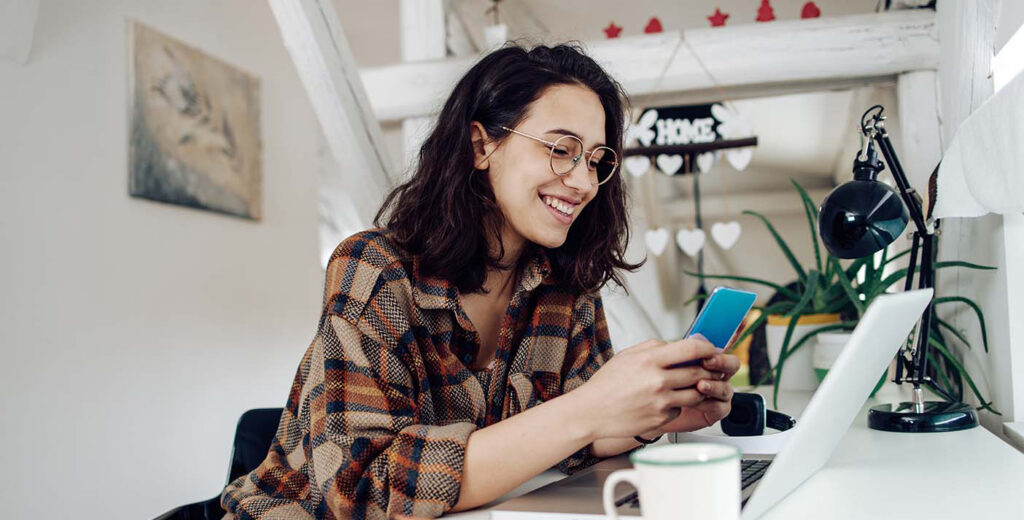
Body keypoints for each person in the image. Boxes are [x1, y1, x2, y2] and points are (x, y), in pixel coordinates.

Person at [221, 43, 738, 520]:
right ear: (481, 145)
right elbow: (361, 494)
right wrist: (589, 409)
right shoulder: (373, 270)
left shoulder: (565, 287)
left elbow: (577, 439)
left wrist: (652, 413)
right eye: (562, 148)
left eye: (596, 160)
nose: (584, 182)